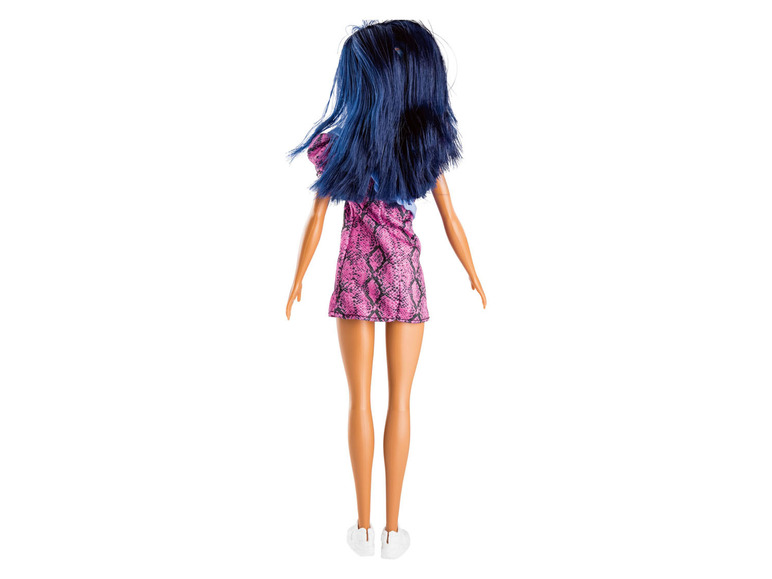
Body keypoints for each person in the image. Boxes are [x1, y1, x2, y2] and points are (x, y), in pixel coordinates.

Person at [285, 19, 486, 559]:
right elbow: (449, 217)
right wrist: (470, 269)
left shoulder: (340, 147)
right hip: (403, 279)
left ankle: (366, 525)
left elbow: (317, 219)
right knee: (398, 399)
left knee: (362, 399)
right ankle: (392, 529)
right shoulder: (418, 148)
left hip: (356, 274)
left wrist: (299, 276)